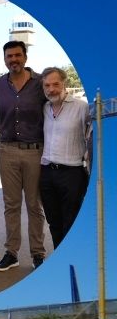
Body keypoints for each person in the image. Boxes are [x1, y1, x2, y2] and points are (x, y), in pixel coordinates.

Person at [0, 40, 48, 271]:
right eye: (9, 56)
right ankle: (11, 253)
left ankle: (38, 254)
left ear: (25, 56)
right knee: (11, 204)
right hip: (7, 151)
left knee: (34, 205)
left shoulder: (41, 82)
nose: (13, 60)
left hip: (35, 151)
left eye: (17, 55)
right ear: (4, 59)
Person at [39, 66, 91, 250]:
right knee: (54, 221)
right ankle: (59, 259)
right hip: (47, 173)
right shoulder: (45, 108)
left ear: (64, 84)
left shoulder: (81, 107)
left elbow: (94, 135)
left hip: (72, 173)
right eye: (47, 85)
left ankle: (71, 259)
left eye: (55, 84)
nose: (51, 89)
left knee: (71, 222)